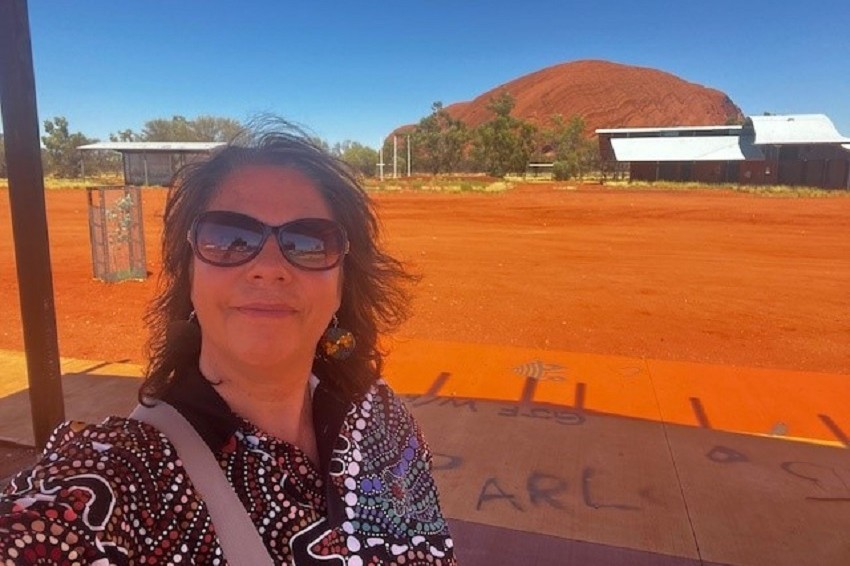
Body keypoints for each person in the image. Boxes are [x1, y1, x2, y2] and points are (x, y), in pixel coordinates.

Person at [0, 121, 456, 564]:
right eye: (228, 238)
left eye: (308, 242)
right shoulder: (123, 476)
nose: (270, 266)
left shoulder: (383, 418)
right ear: (189, 276)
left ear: (342, 284)